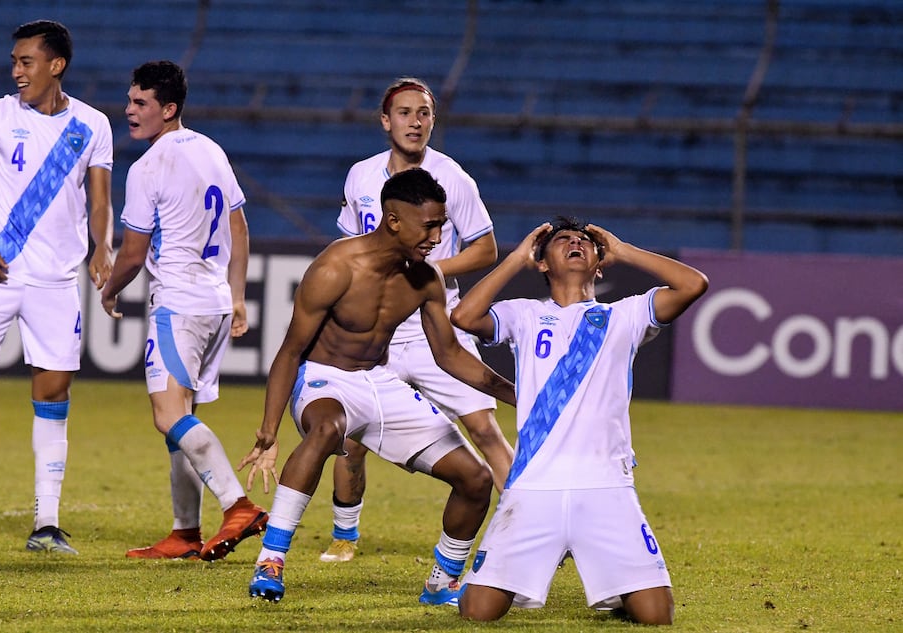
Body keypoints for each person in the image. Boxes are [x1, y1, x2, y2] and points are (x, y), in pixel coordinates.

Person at [240, 168, 516, 605]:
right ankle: (271, 560)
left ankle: (442, 581)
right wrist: (269, 432)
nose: (438, 235)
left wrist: (519, 395)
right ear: (393, 220)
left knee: (476, 479)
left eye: (442, 224)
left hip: (378, 382)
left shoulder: (427, 279)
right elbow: (290, 350)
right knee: (328, 428)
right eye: (429, 225)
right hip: (324, 379)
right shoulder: (335, 267)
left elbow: (450, 356)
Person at [450, 217, 709, 625]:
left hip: (606, 486)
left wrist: (624, 250)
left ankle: (617, 587)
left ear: (599, 263)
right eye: (563, 240)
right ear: (543, 263)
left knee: (657, 616)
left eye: (585, 241)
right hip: (534, 484)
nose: (575, 243)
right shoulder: (524, 315)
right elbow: (464, 316)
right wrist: (515, 258)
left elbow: (694, 284)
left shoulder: (626, 315)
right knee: (478, 613)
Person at [322, 76, 513, 563]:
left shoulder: (454, 178)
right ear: (386, 121)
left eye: (424, 113)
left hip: (435, 326)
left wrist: (429, 271)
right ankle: (344, 538)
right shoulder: (361, 177)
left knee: (486, 429)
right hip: (378, 329)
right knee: (350, 436)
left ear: (433, 121)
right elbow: (346, 247)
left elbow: (486, 248)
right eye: (405, 113)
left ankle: (527, 531)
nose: (415, 122)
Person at [0, 20, 114, 554]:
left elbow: (99, 202)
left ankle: (46, 524)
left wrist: (102, 248)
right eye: (15, 61)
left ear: (56, 65)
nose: (16, 70)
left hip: (55, 282)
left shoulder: (92, 125)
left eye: (26, 61)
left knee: (53, 395)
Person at [100, 61, 266, 561]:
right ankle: (184, 532)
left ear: (168, 109)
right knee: (184, 420)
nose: (129, 111)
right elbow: (239, 226)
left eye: (141, 103)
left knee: (167, 414)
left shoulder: (148, 168)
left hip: (179, 302)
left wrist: (108, 291)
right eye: (129, 100)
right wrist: (236, 295)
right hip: (213, 302)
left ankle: (238, 506)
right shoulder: (210, 149)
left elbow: (132, 254)